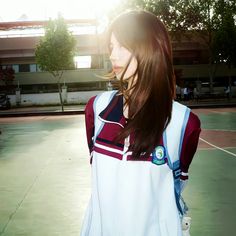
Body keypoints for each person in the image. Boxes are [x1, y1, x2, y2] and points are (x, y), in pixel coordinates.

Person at [81, 10, 201, 236]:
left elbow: (172, 188)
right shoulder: (96, 110)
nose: (113, 56)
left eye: (123, 46)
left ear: (150, 48)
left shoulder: (183, 123)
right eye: (111, 46)